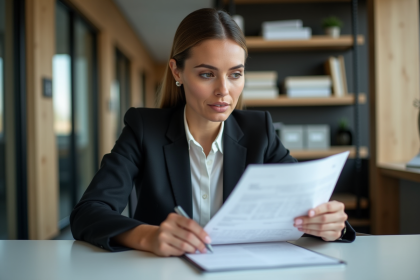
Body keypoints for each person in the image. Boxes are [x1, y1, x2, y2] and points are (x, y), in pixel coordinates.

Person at [70, 8, 355, 257]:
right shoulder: (144, 129)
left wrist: (330, 224)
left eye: (235, 74)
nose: (224, 90)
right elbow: (88, 212)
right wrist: (149, 236)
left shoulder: (260, 131)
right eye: (207, 74)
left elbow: (306, 205)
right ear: (177, 72)